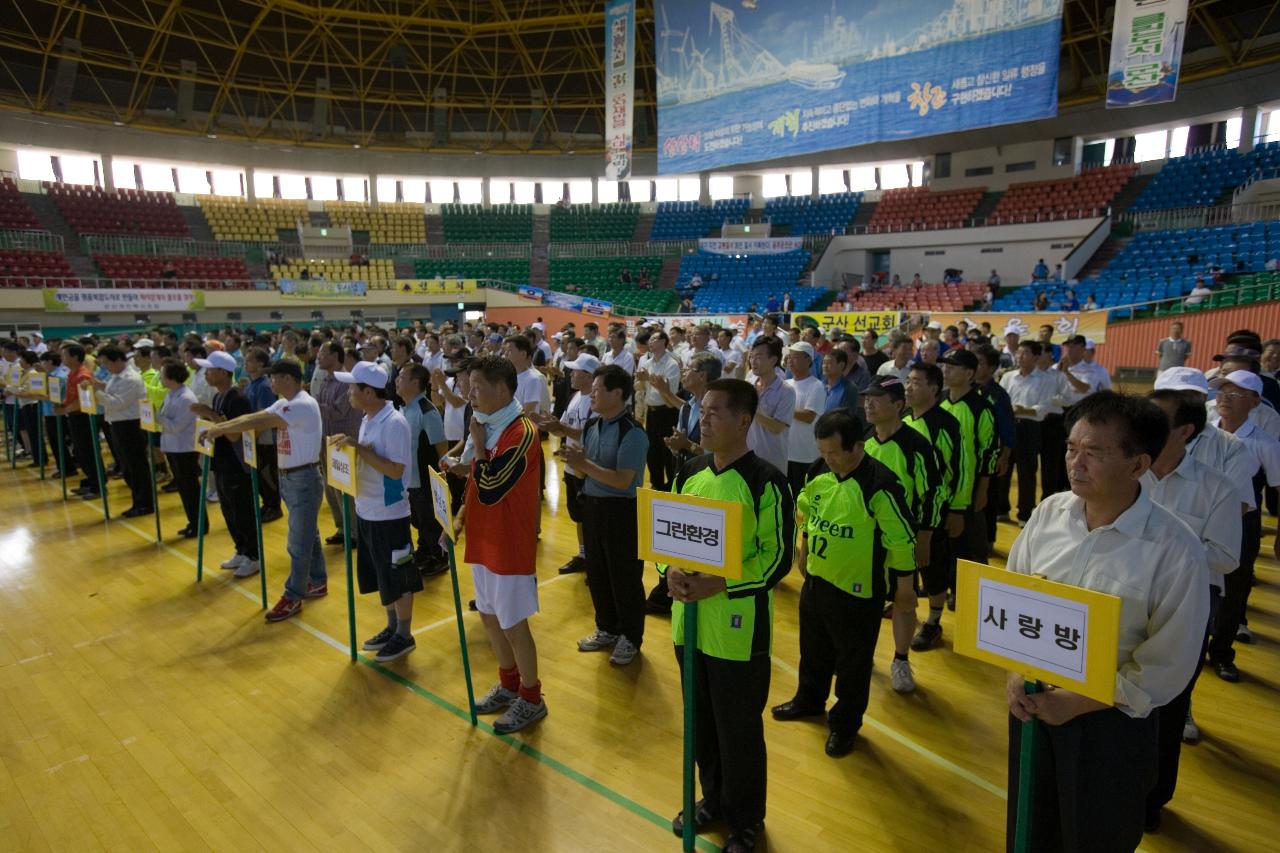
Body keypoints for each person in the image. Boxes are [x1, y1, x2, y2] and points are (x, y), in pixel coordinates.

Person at [1005, 392, 1208, 853]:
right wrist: (1016, 672)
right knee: (1030, 826)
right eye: (1072, 448)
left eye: (1093, 453)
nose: (1076, 463)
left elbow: (1167, 665)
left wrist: (1080, 700)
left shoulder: (1176, 549)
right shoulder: (1048, 514)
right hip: (1034, 704)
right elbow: (1015, 597)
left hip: (1111, 723)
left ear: (1138, 465)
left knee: (1095, 835)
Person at [660, 379, 794, 853]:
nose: (704, 419)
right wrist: (669, 569)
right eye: (702, 410)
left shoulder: (767, 482)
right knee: (701, 721)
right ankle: (712, 799)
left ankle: (745, 818)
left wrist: (720, 583)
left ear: (744, 421)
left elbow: (777, 558)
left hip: (737, 632)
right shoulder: (689, 471)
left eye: (716, 412)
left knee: (738, 727)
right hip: (688, 624)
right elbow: (665, 534)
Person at [772, 408, 915, 755]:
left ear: (857, 447)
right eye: (823, 452)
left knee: (853, 663)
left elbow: (901, 539)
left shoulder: (880, 485)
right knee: (813, 649)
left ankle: (845, 724)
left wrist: (905, 587)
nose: (829, 459)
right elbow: (807, 510)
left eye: (835, 452)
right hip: (818, 582)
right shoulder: (818, 472)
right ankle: (809, 699)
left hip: (858, 592)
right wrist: (804, 547)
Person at [1142, 386, 1241, 830]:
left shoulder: (1215, 487)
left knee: (1167, 703)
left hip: (1184, 607)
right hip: (1120, 600)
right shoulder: (1128, 472)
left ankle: (1153, 799)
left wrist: (1161, 549)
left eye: (1156, 416)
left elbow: (1225, 557)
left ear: (1184, 430)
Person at [443, 356, 547, 734]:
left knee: (513, 623)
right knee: (488, 615)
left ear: (502, 389)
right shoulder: (486, 425)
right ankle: (509, 684)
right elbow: (474, 480)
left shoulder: (521, 432)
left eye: (476, 387)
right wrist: (456, 519)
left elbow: (490, 486)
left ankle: (532, 698)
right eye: (467, 386)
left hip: (509, 544)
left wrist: (479, 448)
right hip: (483, 537)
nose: (469, 394)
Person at [205, 360, 327, 622]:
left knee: (298, 543)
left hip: (303, 478)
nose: (270, 383)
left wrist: (221, 428)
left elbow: (260, 419)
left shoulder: (301, 404)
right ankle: (317, 581)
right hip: (292, 478)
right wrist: (224, 427)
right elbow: (254, 417)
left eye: (274, 378)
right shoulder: (285, 401)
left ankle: (293, 596)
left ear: (287, 378)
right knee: (308, 534)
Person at [331, 361, 421, 663]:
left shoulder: (393, 423)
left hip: (389, 515)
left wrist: (359, 449)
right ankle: (392, 626)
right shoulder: (369, 418)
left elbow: (396, 472)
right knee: (384, 578)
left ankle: (404, 635)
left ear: (369, 391)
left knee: (398, 576)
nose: (348, 393)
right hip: (367, 510)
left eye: (353, 388)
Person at [559, 365, 649, 667]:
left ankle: (630, 637)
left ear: (617, 394)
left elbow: (623, 480)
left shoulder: (633, 433)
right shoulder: (593, 425)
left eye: (597, 390)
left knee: (624, 577)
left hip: (621, 513)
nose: (591, 394)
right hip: (594, 508)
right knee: (597, 573)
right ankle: (607, 627)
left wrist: (584, 465)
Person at [860, 376, 940, 693]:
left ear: (898, 405)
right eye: (867, 398)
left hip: (903, 540)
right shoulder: (863, 441)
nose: (868, 403)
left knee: (904, 601)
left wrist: (925, 537)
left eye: (877, 398)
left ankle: (901, 660)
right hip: (865, 539)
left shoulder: (916, 445)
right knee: (865, 599)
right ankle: (862, 653)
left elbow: (933, 493)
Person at [1206, 369, 1280, 682]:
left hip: (1242, 520)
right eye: (1222, 391)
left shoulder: (1264, 443)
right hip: (1204, 516)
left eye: (1235, 393)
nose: (1224, 398)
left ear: (1254, 401)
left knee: (1235, 590)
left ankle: (1222, 653)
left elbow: (1277, 486)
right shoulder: (1204, 433)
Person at [193, 351, 259, 578]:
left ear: (223, 372)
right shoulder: (218, 397)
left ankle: (253, 555)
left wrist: (209, 415)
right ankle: (240, 549)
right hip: (221, 463)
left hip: (237, 465)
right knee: (228, 511)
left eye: (210, 370)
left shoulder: (237, 399)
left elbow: (234, 436)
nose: (206, 374)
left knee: (242, 511)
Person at [533, 353, 599, 575]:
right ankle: (584, 555)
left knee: (590, 517)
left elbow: (588, 434)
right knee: (579, 515)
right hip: (573, 465)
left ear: (589, 376)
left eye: (576, 371)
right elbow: (564, 427)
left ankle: (595, 559)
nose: (571, 374)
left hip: (587, 468)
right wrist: (548, 425)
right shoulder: (575, 397)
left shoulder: (597, 401)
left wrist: (558, 428)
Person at [938, 347, 997, 580]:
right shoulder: (939, 401)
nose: (945, 371)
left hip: (968, 488)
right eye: (945, 366)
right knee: (940, 540)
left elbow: (989, 452)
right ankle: (941, 584)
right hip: (940, 487)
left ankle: (966, 589)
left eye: (952, 367)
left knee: (968, 544)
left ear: (969, 373)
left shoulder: (981, 407)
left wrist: (982, 490)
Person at [395, 363, 449, 577]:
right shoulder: (402, 409)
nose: (397, 381)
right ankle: (425, 551)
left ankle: (440, 557)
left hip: (424, 480)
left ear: (415, 383)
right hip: (408, 479)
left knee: (429, 521)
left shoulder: (427, 411)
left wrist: (439, 480)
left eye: (401, 377)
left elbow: (441, 448)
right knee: (418, 520)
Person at [88, 345, 152, 518]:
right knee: (126, 466)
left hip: (130, 425)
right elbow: (111, 391)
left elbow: (117, 403)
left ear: (116, 360)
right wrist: (98, 386)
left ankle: (145, 503)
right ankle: (138, 501)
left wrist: (96, 393)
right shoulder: (117, 376)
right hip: (117, 424)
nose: (105, 367)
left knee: (136, 466)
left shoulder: (130, 378)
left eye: (106, 363)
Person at [1000, 341, 1055, 524]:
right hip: (1008, 426)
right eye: (1019, 353)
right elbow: (1001, 402)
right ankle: (1002, 509)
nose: (1019, 356)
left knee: (1027, 472)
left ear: (1036, 357)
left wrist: (1021, 410)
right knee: (1003, 468)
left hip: (1029, 428)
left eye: (1025, 353)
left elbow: (1044, 408)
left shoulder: (1046, 379)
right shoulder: (1008, 377)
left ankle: (1024, 514)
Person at [316, 341, 364, 545]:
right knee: (331, 486)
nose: (318, 356)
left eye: (322, 353)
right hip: (326, 440)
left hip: (343, 443)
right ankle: (342, 528)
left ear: (335, 356)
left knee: (346, 489)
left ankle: (354, 531)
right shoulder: (326, 381)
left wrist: (313, 405)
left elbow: (337, 412)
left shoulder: (346, 382)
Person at [158, 360, 201, 538]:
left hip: (184, 449)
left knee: (190, 489)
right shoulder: (171, 394)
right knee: (184, 489)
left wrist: (156, 417)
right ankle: (192, 521)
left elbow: (176, 426)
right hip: (173, 447)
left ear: (171, 377)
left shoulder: (186, 398)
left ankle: (199, 524)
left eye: (163, 374)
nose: (160, 377)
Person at [52, 343, 100, 500]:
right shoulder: (72, 373)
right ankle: (90, 480)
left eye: (65, 355)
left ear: (74, 357)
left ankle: (97, 485)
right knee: (80, 451)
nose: (62, 357)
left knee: (88, 451)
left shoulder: (82, 375)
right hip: (73, 415)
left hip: (82, 417)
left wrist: (64, 410)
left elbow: (83, 400)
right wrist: (63, 405)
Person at [635, 330, 682, 491]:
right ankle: (656, 483)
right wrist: (640, 380)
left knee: (667, 450)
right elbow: (639, 388)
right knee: (652, 450)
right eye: (650, 339)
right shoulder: (647, 363)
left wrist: (648, 379)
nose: (651, 342)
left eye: (655, 339)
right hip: (651, 411)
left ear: (664, 342)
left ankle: (670, 486)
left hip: (667, 412)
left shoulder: (671, 364)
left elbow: (670, 393)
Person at [242, 347, 282, 523]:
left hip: (265, 439)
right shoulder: (251, 384)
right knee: (258, 475)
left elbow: (264, 416)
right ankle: (267, 503)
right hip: (254, 437)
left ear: (260, 363)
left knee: (267, 474)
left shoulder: (265, 387)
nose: (246, 363)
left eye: (250, 360)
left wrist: (253, 437)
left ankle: (274, 506)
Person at [746, 335, 795, 476]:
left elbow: (777, 427)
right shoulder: (749, 384)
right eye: (751, 357)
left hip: (772, 461)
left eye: (759, 357)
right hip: (747, 457)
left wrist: (751, 407)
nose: (753, 361)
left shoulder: (786, 391)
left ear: (773, 360)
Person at [784, 342, 825, 497]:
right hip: (784, 453)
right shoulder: (785, 384)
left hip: (804, 456)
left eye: (795, 357)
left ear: (808, 360)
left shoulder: (816, 386)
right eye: (789, 357)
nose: (790, 361)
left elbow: (808, 416)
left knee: (801, 498)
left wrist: (784, 407)